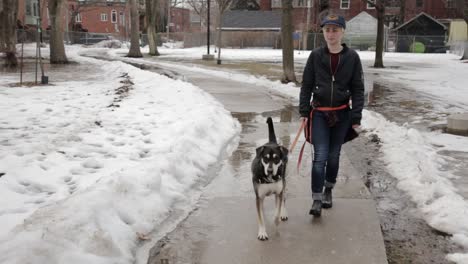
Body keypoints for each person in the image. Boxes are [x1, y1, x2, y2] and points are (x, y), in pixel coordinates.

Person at [299, 14, 364, 217]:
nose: (331, 33)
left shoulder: (352, 57)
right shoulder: (316, 56)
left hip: (342, 115)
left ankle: (328, 190)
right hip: (319, 114)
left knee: (334, 157)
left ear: (342, 32)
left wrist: (355, 117)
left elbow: (358, 89)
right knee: (320, 157)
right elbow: (307, 85)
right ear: (323, 32)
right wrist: (303, 112)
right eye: (327, 29)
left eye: (335, 29)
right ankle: (317, 198)